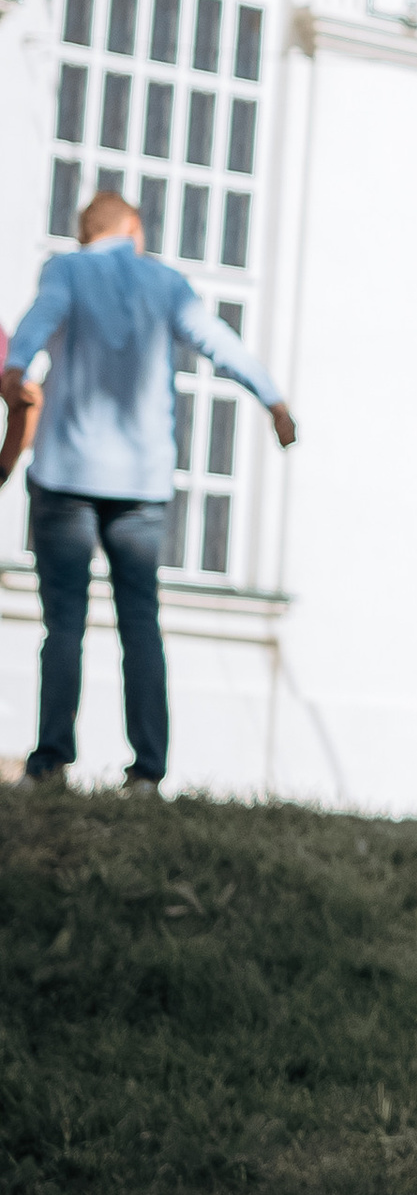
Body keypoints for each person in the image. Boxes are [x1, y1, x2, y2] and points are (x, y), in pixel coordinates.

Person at [4, 189, 296, 793]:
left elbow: (36, 324)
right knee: (141, 623)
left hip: (64, 477)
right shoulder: (165, 283)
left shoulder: (66, 269)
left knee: (65, 622)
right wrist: (273, 398)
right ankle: (146, 774)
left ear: (88, 234)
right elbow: (218, 342)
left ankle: (51, 762)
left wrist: (16, 369)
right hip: (140, 485)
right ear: (133, 230)